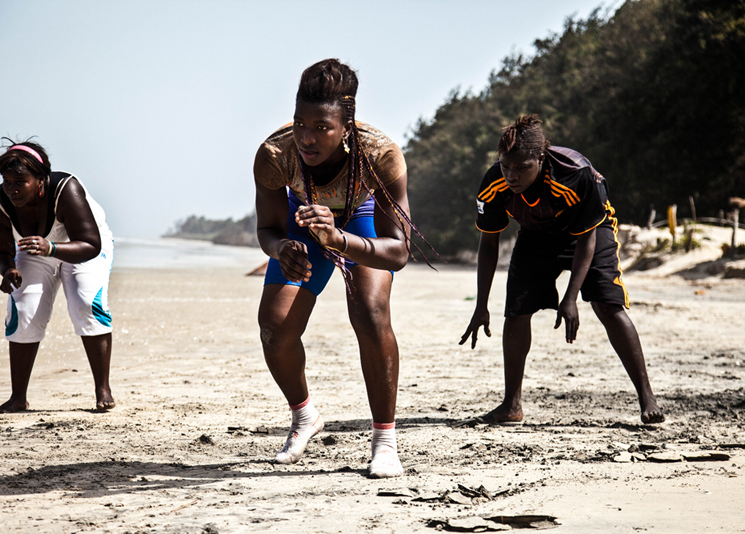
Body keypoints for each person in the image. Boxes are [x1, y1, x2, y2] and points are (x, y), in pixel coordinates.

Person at [254, 59, 429, 478]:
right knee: (274, 327)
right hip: (304, 221)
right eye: (299, 123)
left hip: (359, 220)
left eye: (321, 127)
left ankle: (384, 441)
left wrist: (339, 240)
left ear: (346, 126)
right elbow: (267, 228)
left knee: (369, 312)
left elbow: (398, 252)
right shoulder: (275, 155)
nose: (306, 137)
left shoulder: (380, 155)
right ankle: (304, 417)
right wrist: (282, 249)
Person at [460, 115, 664, 425]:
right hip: (536, 233)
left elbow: (587, 239)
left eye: (521, 168)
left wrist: (570, 298)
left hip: (589, 232)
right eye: (505, 166)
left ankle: (647, 395)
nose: (511, 176)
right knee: (516, 311)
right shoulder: (494, 183)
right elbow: (489, 244)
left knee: (607, 305)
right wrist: (480, 305)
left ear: (540, 159)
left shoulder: (575, 174)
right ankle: (511, 405)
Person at [0, 140, 115, 413]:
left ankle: (103, 390)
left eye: (21, 181)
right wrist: (7, 269)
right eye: (7, 181)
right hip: (35, 249)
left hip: (83, 245)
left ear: (40, 179)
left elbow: (91, 244)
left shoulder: (67, 189)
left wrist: (52, 247)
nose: (12, 188)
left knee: (86, 304)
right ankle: (18, 397)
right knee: (23, 310)